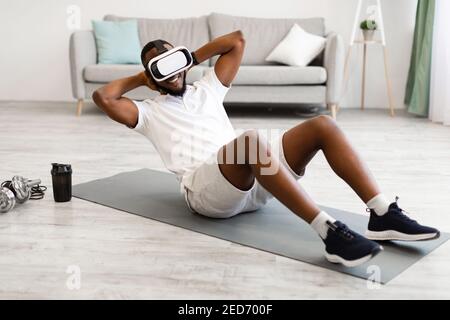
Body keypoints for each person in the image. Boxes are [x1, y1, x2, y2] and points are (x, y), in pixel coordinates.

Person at [93, 30, 440, 267]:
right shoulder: (148, 112)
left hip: (255, 175)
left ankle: (381, 214)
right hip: (206, 192)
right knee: (249, 141)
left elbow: (237, 40)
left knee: (322, 125)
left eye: (173, 62)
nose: (171, 72)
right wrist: (147, 77)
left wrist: (185, 57)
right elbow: (103, 97)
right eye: (161, 68)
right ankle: (330, 233)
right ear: (152, 76)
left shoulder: (207, 88)